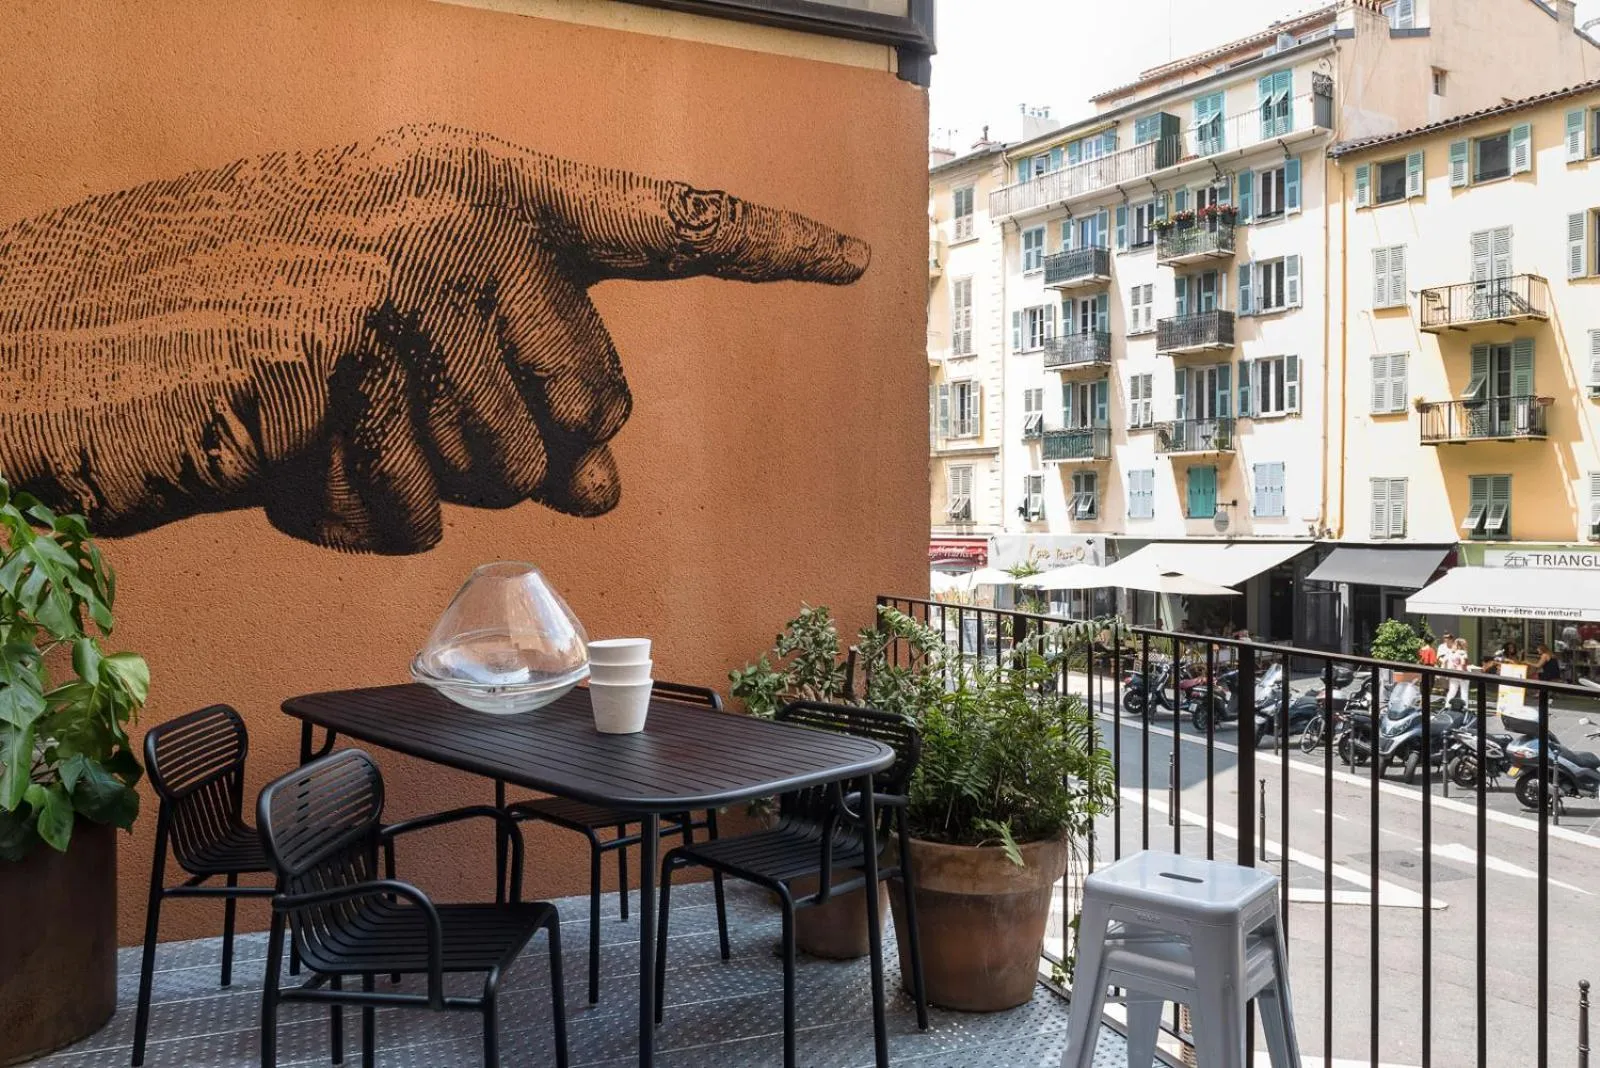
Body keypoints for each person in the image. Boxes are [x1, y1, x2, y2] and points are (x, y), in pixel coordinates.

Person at [1444, 638, 1470, 706]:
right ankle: (1465, 707)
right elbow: (1463, 663)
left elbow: (1446, 662)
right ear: (1462, 645)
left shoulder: (1452, 653)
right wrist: (1466, 671)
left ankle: (1447, 706)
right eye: (1465, 644)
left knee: (1452, 691)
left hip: (1453, 673)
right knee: (1464, 692)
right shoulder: (1463, 653)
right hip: (1462, 674)